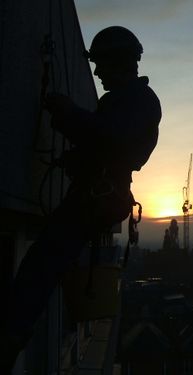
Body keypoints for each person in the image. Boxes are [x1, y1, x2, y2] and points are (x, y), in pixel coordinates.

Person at [0, 26, 161, 372]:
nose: (98, 72)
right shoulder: (123, 101)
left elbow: (112, 141)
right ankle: (14, 332)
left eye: (101, 64)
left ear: (117, 61)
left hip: (98, 197)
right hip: (97, 193)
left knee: (43, 261)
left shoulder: (139, 102)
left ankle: (11, 337)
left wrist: (69, 113)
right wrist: (74, 153)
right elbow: (105, 145)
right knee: (46, 260)